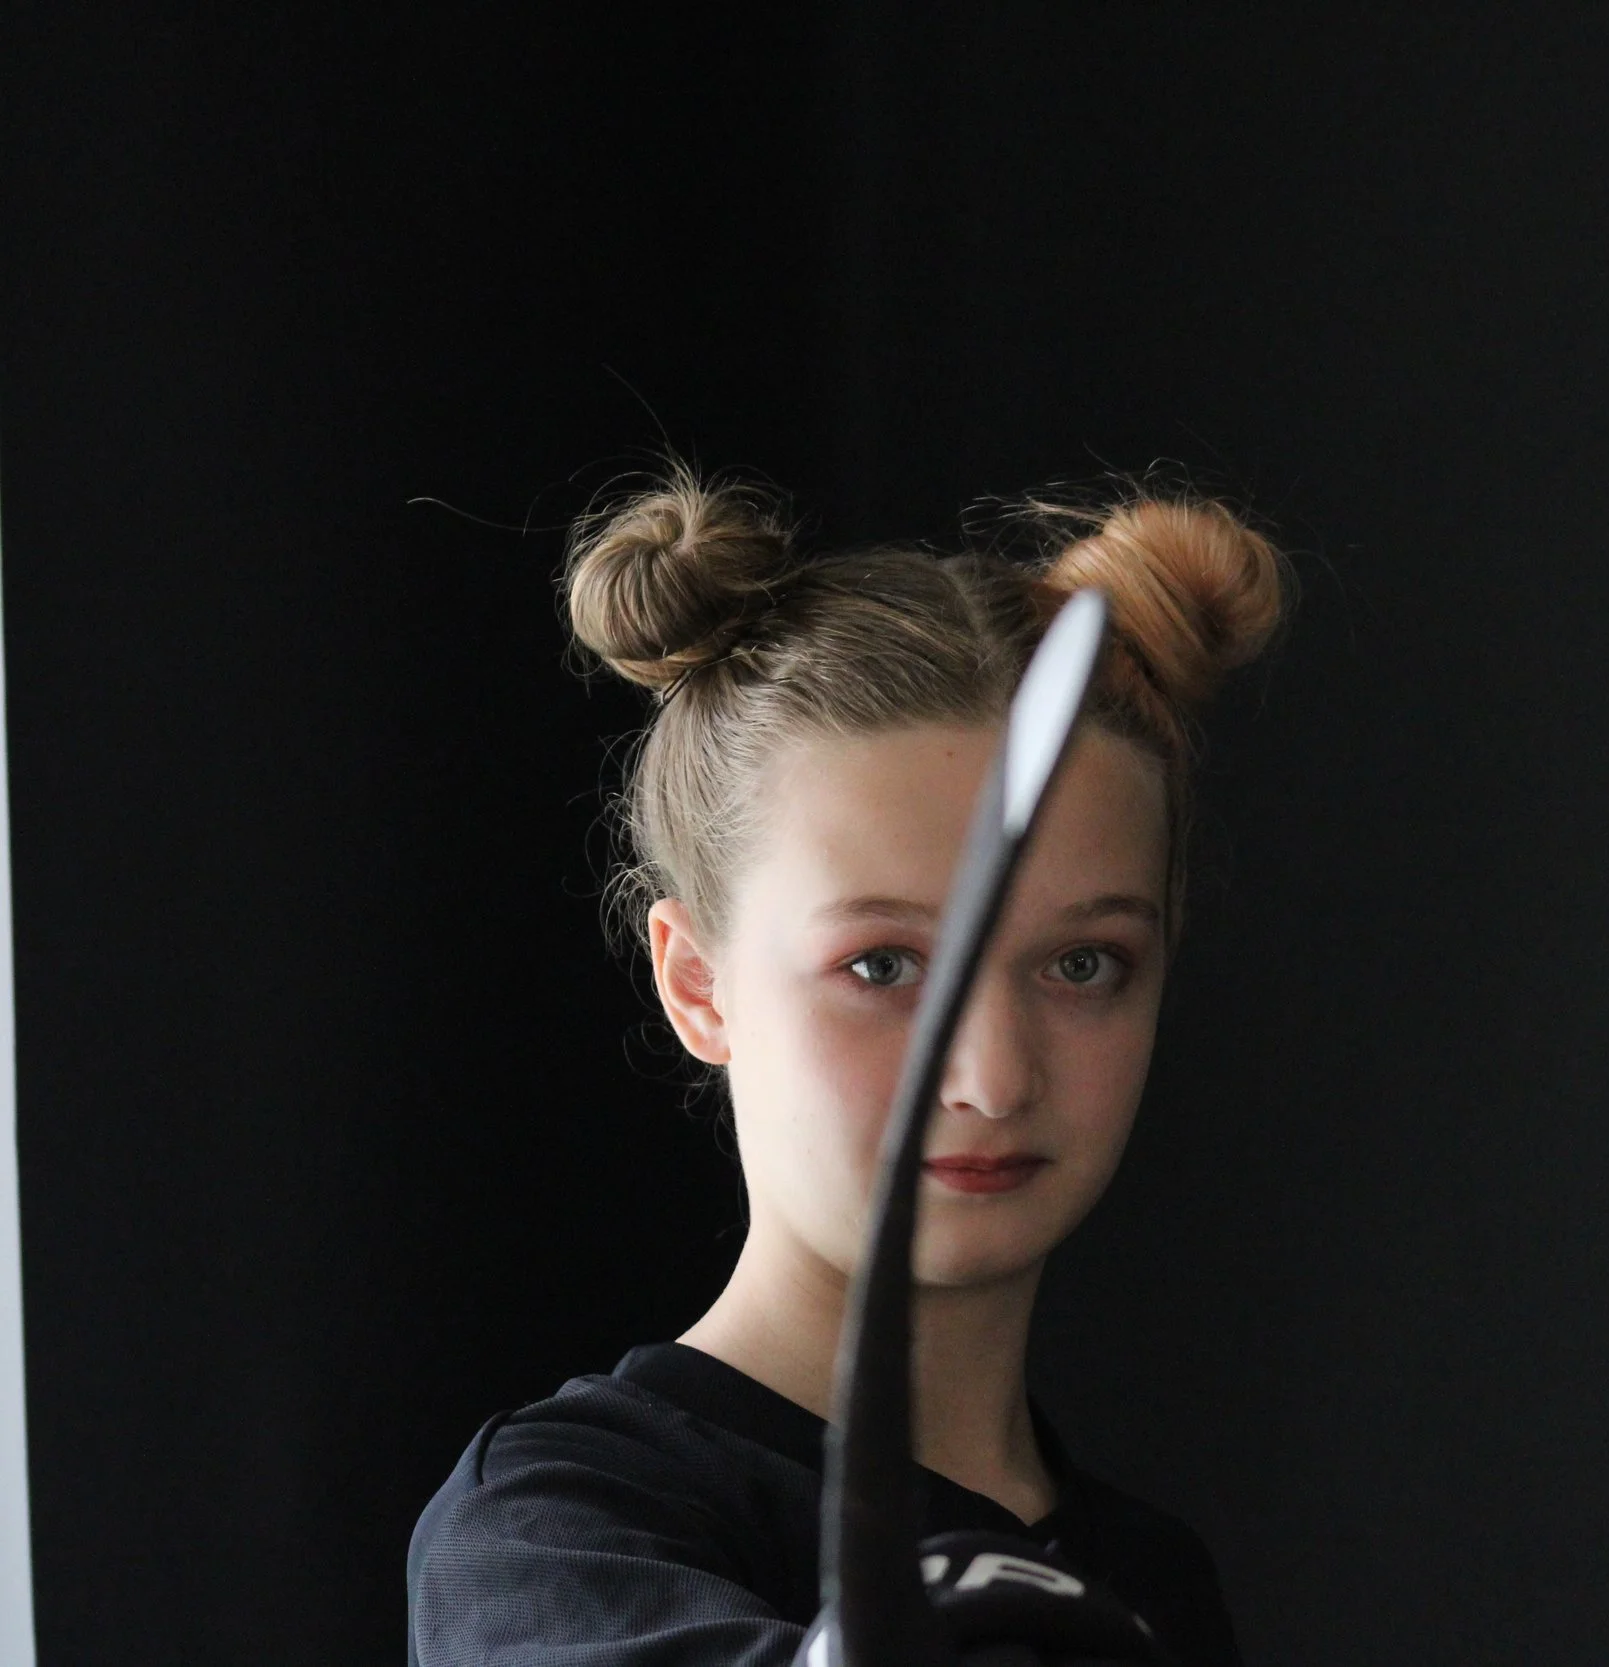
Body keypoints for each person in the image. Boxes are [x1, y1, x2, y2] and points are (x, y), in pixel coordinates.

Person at [407, 463, 1289, 1667]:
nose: (989, 1074)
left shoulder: (1153, 1579)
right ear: (697, 984)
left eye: (1082, 963)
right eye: (881, 965)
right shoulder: (557, 1528)